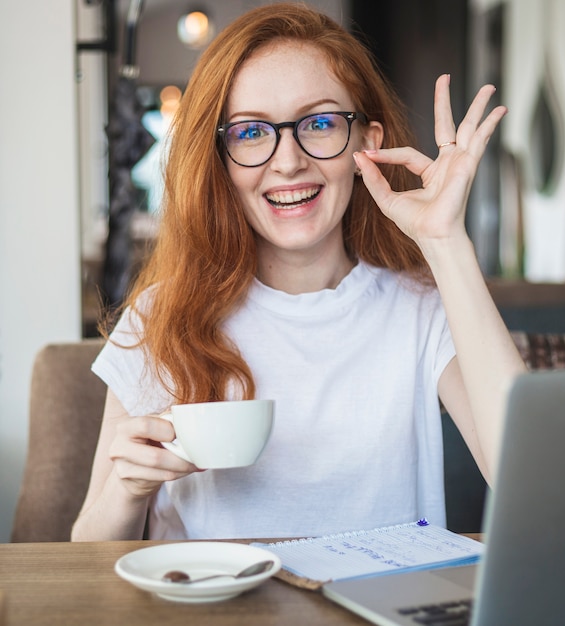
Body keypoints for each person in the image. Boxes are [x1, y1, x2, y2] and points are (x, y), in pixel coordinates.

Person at [72, 2, 526, 542]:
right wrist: (126, 491)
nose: (287, 161)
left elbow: (529, 487)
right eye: (251, 132)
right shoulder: (158, 317)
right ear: (219, 158)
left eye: (320, 123)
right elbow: (89, 553)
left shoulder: (422, 307)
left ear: (367, 144)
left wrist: (445, 240)